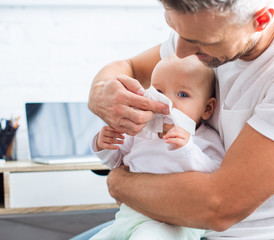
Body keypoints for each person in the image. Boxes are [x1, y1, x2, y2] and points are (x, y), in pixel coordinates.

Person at [85, 0, 274, 239]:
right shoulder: (202, 27)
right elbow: (129, 66)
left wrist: (119, 184)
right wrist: (100, 92)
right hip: (147, 217)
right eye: (175, 31)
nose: (182, 52)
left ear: (262, 20)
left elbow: (218, 207)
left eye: (199, 41)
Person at [89, 55, 225, 240]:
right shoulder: (142, 131)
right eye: (159, 91)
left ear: (207, 108)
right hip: (128, 215)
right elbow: (116, 163)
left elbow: (214, 175)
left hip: (173, 225)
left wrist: (186, 149)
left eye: (183, 94)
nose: (166, 103)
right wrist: (104, 144)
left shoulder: (203, 139)